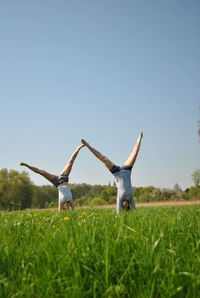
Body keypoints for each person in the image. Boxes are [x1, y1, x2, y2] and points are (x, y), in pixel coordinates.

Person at [81, 133, 143, 213]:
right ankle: (139, 138)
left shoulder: (119, 198)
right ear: (128, 206)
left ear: (121, 207)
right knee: (134, 154)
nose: (125, 204)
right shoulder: (130, 198)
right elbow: (134, 211)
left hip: (116, 173)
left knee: (103, 159)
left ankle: (88, 145)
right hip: (127, 170)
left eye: (123, 206)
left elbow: (117, 212)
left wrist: (119, 214)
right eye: (126, 206)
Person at [20, 144, 85, 211]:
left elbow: (59, 212)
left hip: (56, 182)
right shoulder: (70, 201)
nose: (64, 207)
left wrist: (61, 210)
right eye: (66, 208)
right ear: (67, 207)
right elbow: (74, 210)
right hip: (64, 177)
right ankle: (78, 148)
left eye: (64, 208)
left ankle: (27, 165)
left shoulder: (61, 201)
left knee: (42, 172)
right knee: (70, 162)